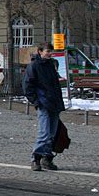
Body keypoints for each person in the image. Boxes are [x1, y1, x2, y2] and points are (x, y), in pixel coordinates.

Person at [23, 42, 65, 171]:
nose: (50, 53)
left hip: (54, 103)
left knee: (51, 134)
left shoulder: (51, 65)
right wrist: (36, 102)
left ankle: (46, 158)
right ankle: (35, 158)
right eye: (48, 51)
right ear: (40, 51)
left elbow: (55, 85)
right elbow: (27, 86)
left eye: (51, 51)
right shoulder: (34, 66)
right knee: (44, 133)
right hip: (44, 103)